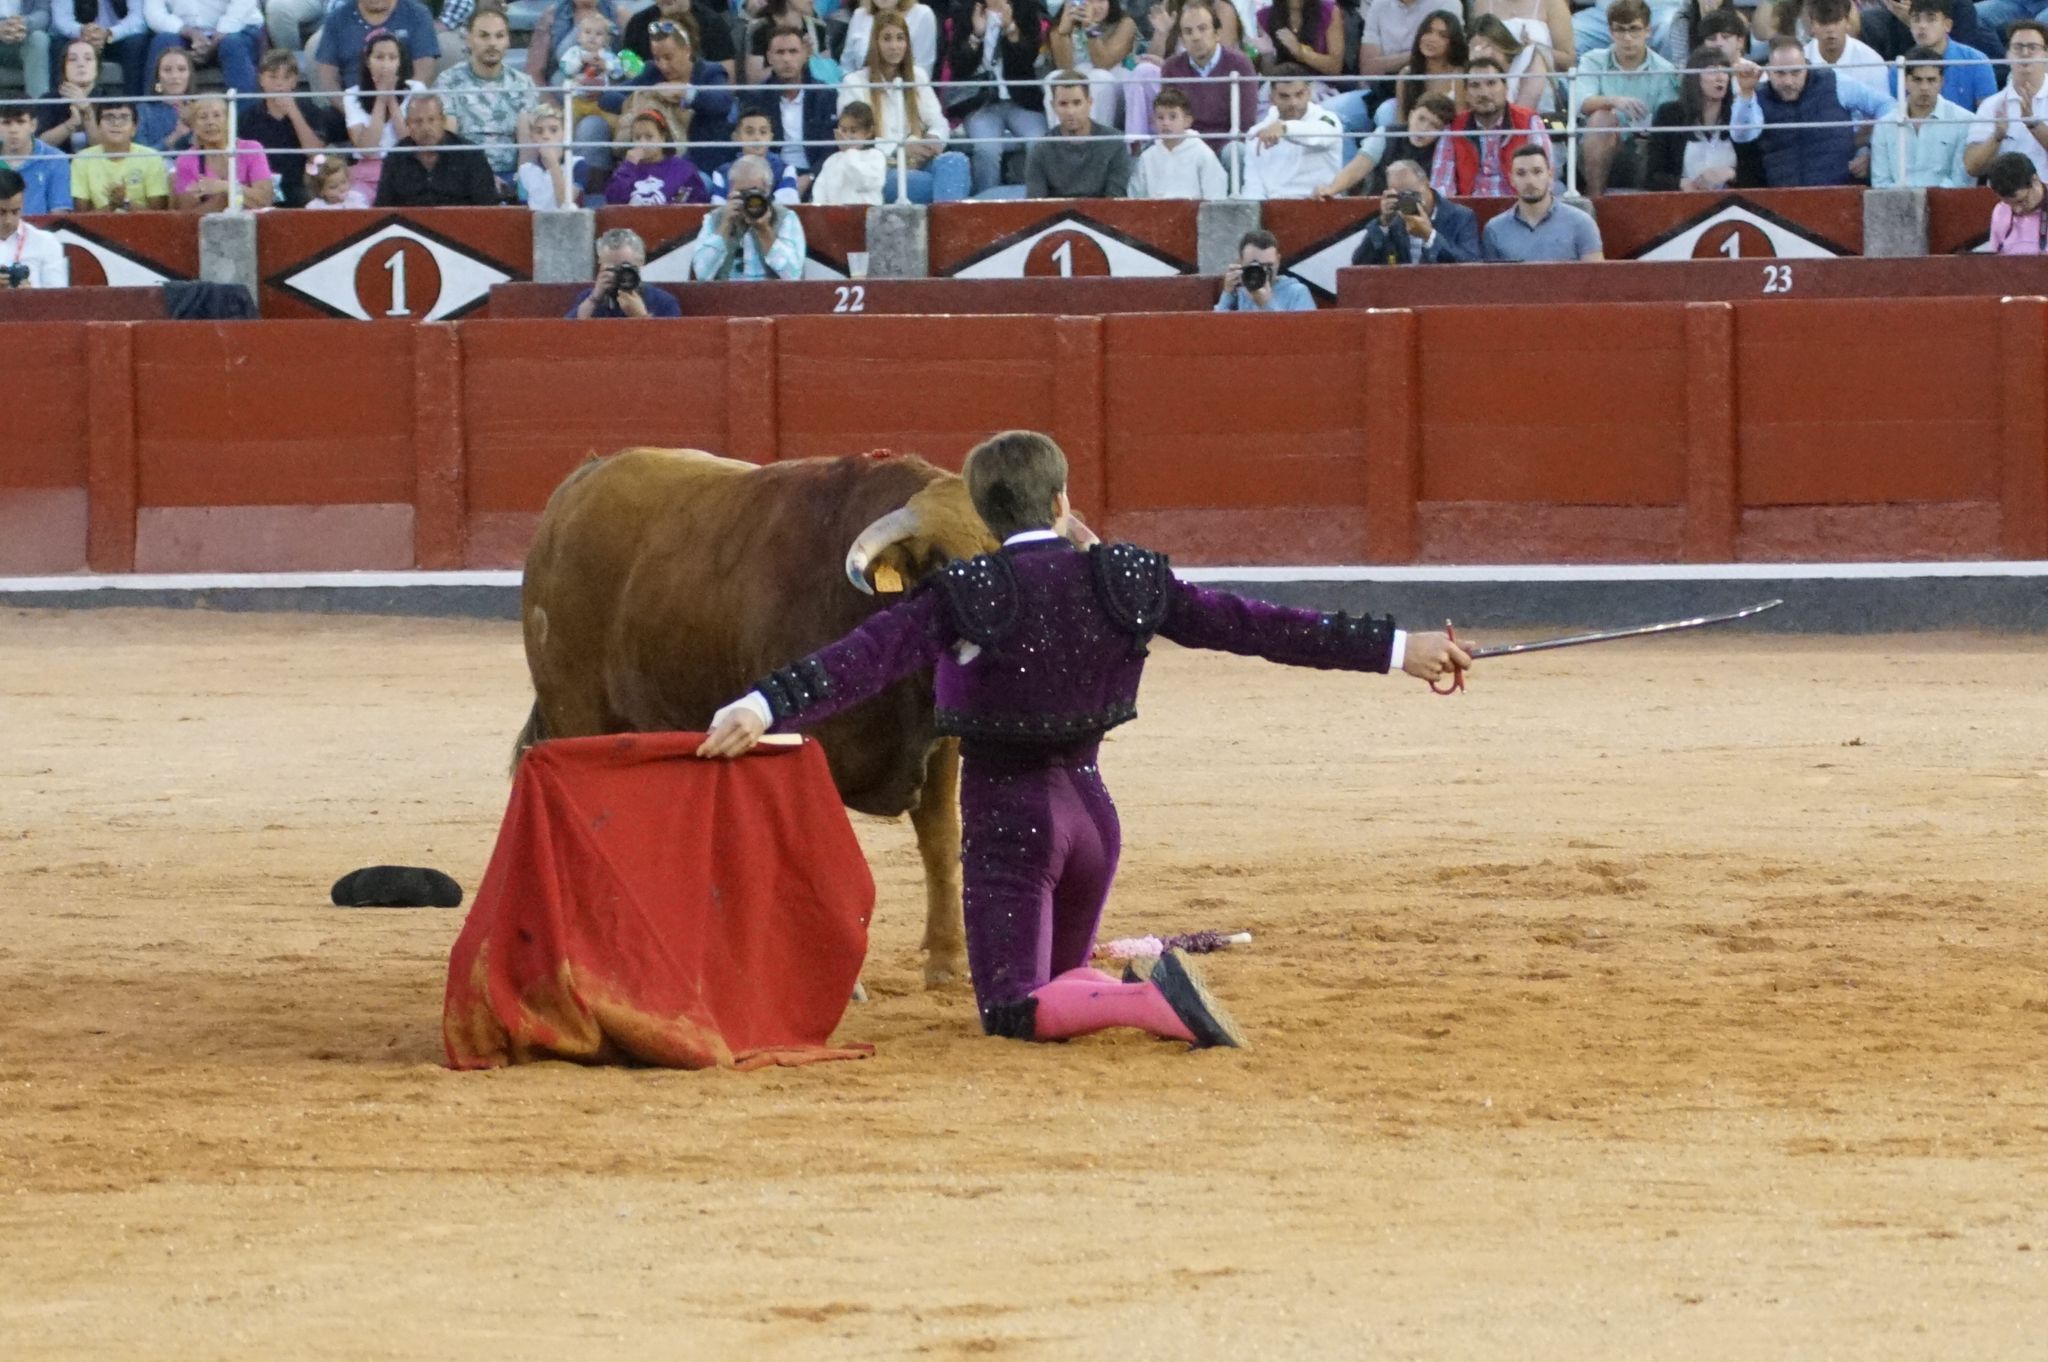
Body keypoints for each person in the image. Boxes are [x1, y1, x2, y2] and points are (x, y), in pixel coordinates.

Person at [696, 430, 1474, 1050]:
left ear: (984, 517)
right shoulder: (1125, 579)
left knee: (1011, 1011)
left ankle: (1147, 1000)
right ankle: (1117, 992)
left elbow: (858, 662)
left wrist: (765, 706)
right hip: (1094, 821)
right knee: (1063, 983)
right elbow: (1254, 624)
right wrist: (1400, 649)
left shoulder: (966, 595)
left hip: (1011, 828)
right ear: (1064, 501)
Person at [837, 10, 968, 201]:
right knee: (942, 184)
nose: (894, 46)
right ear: (875, 43)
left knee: (956, 162)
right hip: (878, 169)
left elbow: (939, 122)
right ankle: (951, 226)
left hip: (920, 161)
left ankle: (947, 225)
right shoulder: (854, 83)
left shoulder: (918, 76)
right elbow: (853, 139)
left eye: (900, 38)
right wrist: (901, 149)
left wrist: (933, 139)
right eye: (887, 39)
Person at [1731, 37, 1897, 186]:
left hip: (1839, 191)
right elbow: (1743, 136)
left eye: (1796, 72)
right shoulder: (1758, 94)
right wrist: (1746, 92)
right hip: (1781, 197)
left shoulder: (1835, 82)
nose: (1788, 81)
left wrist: (1870, 148)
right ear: (1768, 71)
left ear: (1807, 67)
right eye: (1780, 73)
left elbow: (1887, 106)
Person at [602, 15, 736, 175]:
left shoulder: (711, 71)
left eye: (668, 57)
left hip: (700, 164)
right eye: (657, 58)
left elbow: (722, 103)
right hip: (653, 165)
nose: (663, 65)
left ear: (687, 49)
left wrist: (685, 92)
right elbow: (607, 97)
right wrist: (649, 94)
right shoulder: (652, 71)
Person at [1572, 0, 1680, 195]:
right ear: (1611, 32)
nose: (1627, 37)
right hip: (1595, 148)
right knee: (1602, 118)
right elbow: (1581, 103)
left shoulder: (1665, 70)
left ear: (1648, 31)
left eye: (1634, 29)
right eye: (1620, 30)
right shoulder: (1592, 60)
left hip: (1647, 150)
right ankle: (1595, 202)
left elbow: (1667, 118)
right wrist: (1615, 101)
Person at [947, 0, 1048, 196]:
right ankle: (985, 204)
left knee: (1039, 143)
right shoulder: (965, 10)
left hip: (1022, 100)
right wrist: (976, 35)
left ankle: (1038, 200)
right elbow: (957, 66)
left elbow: (1029, 58)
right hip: (981, 103)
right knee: (987, 149)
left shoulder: (1027, 8)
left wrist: (1011, 28)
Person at [433, 6, 536, 188]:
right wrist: (480, 178)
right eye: (484, 35)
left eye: (499, 36)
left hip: (512, 176)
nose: (492, 43)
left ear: (507, 41)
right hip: (464, 175)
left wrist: (522, 183)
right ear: (469, 39)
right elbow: (450, 139)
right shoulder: (448, 81)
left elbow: (526, 143)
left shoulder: (523, 84)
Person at [242, 47, 348, 207]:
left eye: (286, 77)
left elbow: (315, 154)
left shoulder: (309, 108)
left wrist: (293, 113)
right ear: (261, 80)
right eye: (272, 77)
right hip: (263, 185)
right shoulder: (248, 117)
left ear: (294, 81)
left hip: (301, 184)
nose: (279, 83)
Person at [1645, 46, 1764, 188]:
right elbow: (1652, 176)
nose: (1720, 78)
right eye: (1712, 71)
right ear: (1694, 77)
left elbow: (1758, 174)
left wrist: (1731, 173)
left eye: (1724, 71)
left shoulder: (1738, 115)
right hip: (1683, 202)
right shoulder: (1669, 114)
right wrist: (1680, 183)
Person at [740, 25, 837, 194]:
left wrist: (811, 177)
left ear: (805, 55)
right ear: (769, 57)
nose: (786, 59)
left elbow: (831, 147)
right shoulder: (755, 97)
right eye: (780, 52)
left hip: (817, 176)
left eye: (793, 51)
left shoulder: (825, 95)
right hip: (771, 176)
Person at [1431, 58, 1550, 196]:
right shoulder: (1454, 127)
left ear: (1506, 88)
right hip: (1469, 212)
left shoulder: (1529, 121)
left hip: (1518, 209)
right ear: (1466, 94)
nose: (1484, 93)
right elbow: (1441, 184)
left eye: (1491, 83)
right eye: (1475, 85)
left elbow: (1543, 179)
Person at [689, 152, 806, 279]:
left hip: (773, 296)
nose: (749, 199)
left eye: (754, 192)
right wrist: (725, 225)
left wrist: (765, 231)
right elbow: (701, 274)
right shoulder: (715, 218)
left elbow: (793, 276)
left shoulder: (785, 218)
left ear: (767, 190)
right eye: (741, 193)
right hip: (726, 295)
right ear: (730, 190)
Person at [1871, 43, 1974, 185]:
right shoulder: (1884, 125)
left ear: (1942, 82)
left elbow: (1961, 181)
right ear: (1905, 81)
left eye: (1931, 80)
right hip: (1896, 203)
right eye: (1917, 80)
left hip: (1946, 203)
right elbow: (1880, 183)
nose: (1924, 87)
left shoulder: (1964, 121)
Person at [1316, 90, 1453, 196]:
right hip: (1377, 208)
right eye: (1421, 119)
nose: (1423, 129)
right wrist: (1331, 189)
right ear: (1411, 115)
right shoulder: (1385, 134)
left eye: (1434, 126)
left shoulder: (1445, 150)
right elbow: (1357, 168)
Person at [1159, 1, 1256, 151]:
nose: (1196, 37)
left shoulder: (1240, 64)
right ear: (1182, 38)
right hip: (1188, 147)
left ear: (1217, 33)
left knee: (1237, 151)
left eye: (1202, 29)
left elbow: (1246, 124)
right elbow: (1172, 122)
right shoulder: (1171, 68)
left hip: (1227, 144)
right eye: (1188, 31)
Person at [1482, 142, 1604, 259]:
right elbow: (1491, 278)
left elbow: (1595, 276)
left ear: (1550, 176)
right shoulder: (1495, 229)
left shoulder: (1581, 223)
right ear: (1511, 179)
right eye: (1521, 173)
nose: (1530, 181)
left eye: (1537, 172)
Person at [1022, 68, 1132, 196]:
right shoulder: (1040, 149)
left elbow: (1116, 201)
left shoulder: (1114, 143)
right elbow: (1036, 204)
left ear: (1089, 103)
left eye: (1077, 103)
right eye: (1063, 104)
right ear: (1053, 106)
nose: (1070, 111)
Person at [344, 28, 425, 199]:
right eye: (379, 57)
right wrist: (381, 99)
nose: (385, 64)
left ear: (400, 62)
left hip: (408, 167)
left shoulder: (416, 89)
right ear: (368, 61)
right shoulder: (352, 95)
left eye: (392, 58)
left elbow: (411, 142)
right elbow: (367, 149)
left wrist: (391, 100)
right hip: (368, 172)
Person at [374, 92, 499, 204]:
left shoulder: (470, 154)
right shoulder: (396, 157)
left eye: (432, 120)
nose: (426, 128)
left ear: (443, 121)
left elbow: (487, 206)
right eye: (417, 121)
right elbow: (382, 207)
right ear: (407, 125)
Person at [1962, 19, 2048, 180]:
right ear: (2007, 54)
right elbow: (1972, 167)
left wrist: (2034, 124)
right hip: (2006, 198)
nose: (2024, 53)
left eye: (2032, 47)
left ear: (2046, 53)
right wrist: (1996, 137)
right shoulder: (1992, 105)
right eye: (2017, 47)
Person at [1352, 157, 1479, 263]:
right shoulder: (1393, 219)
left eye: (1412, 193)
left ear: (1426, 182)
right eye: (1400, 195)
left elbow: (1471, 263)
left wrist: (1429, 237)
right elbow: (1359, 264)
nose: (1408, 201)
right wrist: (1383, 224)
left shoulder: (1460, 216)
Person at [1241, 69, 1342, 198]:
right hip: (1275, 209)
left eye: (1299, 94)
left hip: (1323, 206)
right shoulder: (1256, 133)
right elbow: (1253, 188)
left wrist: (1285, 128)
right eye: (1284, 96)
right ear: (1271, 98)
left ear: (1309, 93)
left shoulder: (1328, 120)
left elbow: (1319, 135)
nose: (1293, 103)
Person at [312, 0, 438, 100]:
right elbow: (328, 79)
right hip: (351, 106)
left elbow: (424, 70)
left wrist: (404, 109)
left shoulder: (418, 15)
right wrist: (351, 113)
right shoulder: (337, 19)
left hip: (405, 107)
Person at [172, 93, 275, 209]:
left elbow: (265, 200)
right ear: (194, 125)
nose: (210, 122)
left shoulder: (252, 149)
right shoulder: (186, 160)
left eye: (217, 115)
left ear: (228, 120)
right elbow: (189, 215)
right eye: (203, 117)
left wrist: (225, 187)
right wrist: (225, 197)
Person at [1046, 0, 1136, 128]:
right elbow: (1064, 68)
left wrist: (1090, 28)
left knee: (1098, 77)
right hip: (1077, 88)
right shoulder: (1061, 24)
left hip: (1112, 82)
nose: (1095, 7)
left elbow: (1103, 63)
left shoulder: (1125, 23)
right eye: (1089, 1)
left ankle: (1098, 138)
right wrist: (1064, 32)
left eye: (1100, 1)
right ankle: (1061, 140)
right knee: (1054, 77)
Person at [1889, 0, 1993, 111]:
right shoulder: (1899, 67)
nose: (1922, 26)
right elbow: (1898, 114)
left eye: (1931, 19)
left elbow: (1987, 117)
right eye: (1916, 19)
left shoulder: (1977, 61)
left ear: (1947, 25)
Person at [141, 0, 260, 94]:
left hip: (236, 29)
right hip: (184, 33)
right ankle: (154, 116)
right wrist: (189, 32)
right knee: (164, 43)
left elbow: (244, 4)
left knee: (232, 45)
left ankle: (244, 121)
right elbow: (154, 13)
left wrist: (218, 35)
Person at [69, 96, 170, 206]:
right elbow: (81, 216)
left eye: (124, 118)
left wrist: (125, 202)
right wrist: (113, 205)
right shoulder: (82, 159)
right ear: (98, 127)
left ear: (134, 128)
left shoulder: (151, 157)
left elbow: (158, 214)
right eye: (109, 117)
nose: (116, 124)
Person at [1130, 85, 1226, 196]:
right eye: (1160, 117)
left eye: (1173, 117)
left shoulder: (1202, 154)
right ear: (1153, 121)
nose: (1165, 123)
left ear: (1187, 121)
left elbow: (1215, 195)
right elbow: (1136, 196)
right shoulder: (1147, 157)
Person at [603, 105, 711, 202]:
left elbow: (697, 204)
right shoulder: (626, 169)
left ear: (662, 138)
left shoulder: (683, 169)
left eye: (649, 137)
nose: (642, 143)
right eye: (637, 138)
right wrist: (628, 167)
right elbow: (613, 200)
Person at [569, 225, 683, 317]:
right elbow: (566, 334)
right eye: (611, 268)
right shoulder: (589, 299)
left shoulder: (663, 302)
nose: (619, 274)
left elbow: (668, 342)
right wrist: (594, 299)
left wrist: (641, 316)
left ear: (640, 263)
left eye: (625, 267)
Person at [622, 0, 737, 79]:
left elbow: (726, 79)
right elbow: (629, 68)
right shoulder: (637, 24)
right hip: (650, 100)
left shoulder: (713, 24)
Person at [1468, 12, 1555, 117]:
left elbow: (1524, 111)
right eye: (1477, 48)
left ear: (1502, 43)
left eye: (1488, 46)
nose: (1485, 53)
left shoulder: (1530, 57)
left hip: (1535, 125)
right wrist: (1475, 67)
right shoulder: (1472, 69)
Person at [706, 108, 802, 201]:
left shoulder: (785, 170)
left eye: (763, 132)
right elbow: (718, 209)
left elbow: (788, 204)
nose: (757, 138)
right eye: (749, 132)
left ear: (771, 137)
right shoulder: (721, 173)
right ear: (736, 137)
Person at [1801, 0, 1887, 97]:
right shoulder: (1800, 60)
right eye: (1823, 23)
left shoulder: (1872, 61)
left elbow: (1884, 106)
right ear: (1812, 25)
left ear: (1847, 23)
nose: (1830, 30)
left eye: (1836, 21)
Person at [1215, 227, 1315, 310]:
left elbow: (1302, 333)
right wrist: (1228, 294)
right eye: (1254, 265)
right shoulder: (1240, 291)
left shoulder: (1296, 293)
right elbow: (1215, 329)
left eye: (1268, 266)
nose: (1262, 272)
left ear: (1278, 261)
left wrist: (1267, 305)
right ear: (1241, 262)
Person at [810, 98, 887, 202]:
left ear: (869, 132)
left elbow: (863, 182)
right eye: (843, 130)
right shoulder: (832, 161)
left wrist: (849, 151)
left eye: (853, 131)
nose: (847, 136)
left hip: (865, 214)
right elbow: (820, 194)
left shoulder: (875, 157)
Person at [0, 101, 71, 212]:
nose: (13, 130)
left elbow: (60, 213)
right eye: (6, 123)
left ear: (33, 125)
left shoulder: (56, 159)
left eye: (20, 122)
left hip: (43, 229)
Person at [1, 167, 65, 287]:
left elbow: (59, 298)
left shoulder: (46, 242)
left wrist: (31, 296)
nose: (8, 221)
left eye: (15, 212)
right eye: (1, 212)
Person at [839, 0, 939, 76]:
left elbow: (923, 71)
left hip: (905, 95)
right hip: (861, 95)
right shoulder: (860, 14)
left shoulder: (923, 14)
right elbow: (847, 67)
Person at [38, 37, 103, 150]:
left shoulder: (110, 99)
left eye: (88, 59)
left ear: (97, 67)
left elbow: (105, 149)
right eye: (73, 59)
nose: (81, 64)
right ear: (64, 67)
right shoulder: (48, 100)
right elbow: (40, 145)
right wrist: (71, 124)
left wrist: (87, 110)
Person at [514, 102, 580, 207]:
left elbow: (565, 202)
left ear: (564, 133)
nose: (546, 136)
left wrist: (552, 162)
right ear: (532, 136)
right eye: (539, 131)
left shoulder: (578, 164)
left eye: (553, 130)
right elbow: (524, 209)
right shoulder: (525, 170)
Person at [1256, 0, 1343, 76]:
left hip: (1318, 84)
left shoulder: (1329, 11)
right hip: (1278, 86)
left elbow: (1335, 68)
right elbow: (1263, 73)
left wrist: (1301, 53)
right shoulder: (1263, 16)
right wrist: (1267, 56)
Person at [135, 43, 193, 150]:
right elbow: (141, 156)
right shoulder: (143, 111)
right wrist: (175, 136)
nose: (175, 76)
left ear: (190, 75)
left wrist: (194, 123)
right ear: (158, 77)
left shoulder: (200, 107)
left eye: (181, 69)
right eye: (167, 70)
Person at [1987, 150, 2045, 252]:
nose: (2017, 210)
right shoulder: (2001, 211)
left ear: (2034, 180)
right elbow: (1994, 262)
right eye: (2008, 203)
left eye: (2021, 201)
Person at [302, 148, 369, 205]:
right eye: (333, 187)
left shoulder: (357, 199)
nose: (341, 189)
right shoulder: (316, 206)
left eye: (344, 182)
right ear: (321, 191)